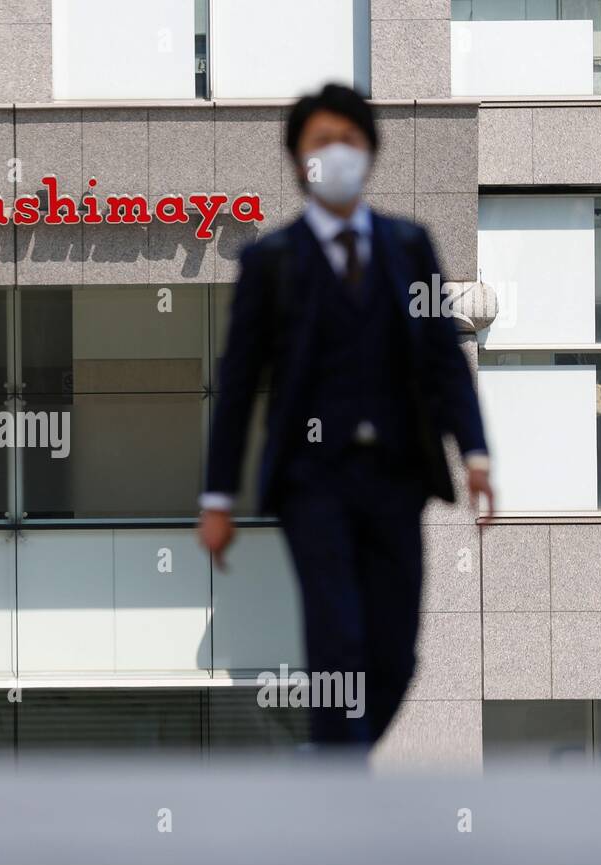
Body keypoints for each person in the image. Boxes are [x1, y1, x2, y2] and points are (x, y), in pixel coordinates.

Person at [198, 84, 494, 748]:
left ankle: (334, 760)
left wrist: (474, 454)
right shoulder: (269, 261)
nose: (335, 153)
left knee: (396, 654)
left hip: (397, 477)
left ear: (371, 151)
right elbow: (239, 387)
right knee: (337, 641)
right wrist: (216, 498)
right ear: (297, 159)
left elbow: (444, 360)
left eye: (348, 140)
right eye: (319, 142)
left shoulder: (408, 246)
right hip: (313, 483)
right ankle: (339, 792)